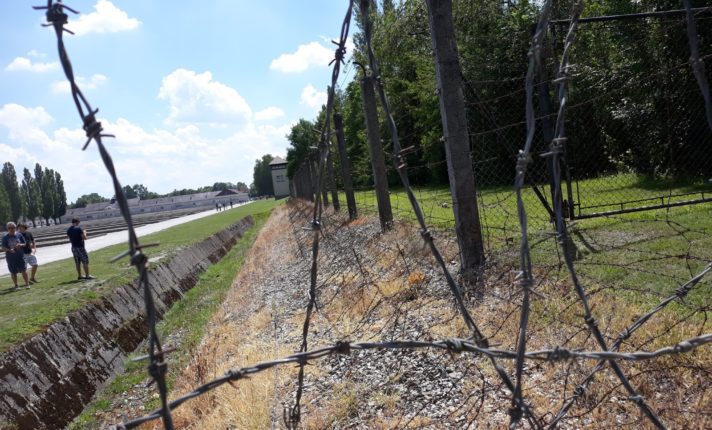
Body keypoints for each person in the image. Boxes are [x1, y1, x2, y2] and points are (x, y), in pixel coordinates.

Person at [2, 222, 30, 289]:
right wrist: (9, 250)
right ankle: (16, 285)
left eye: (13, 228)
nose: (11, 229)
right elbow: (3, 247)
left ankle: (27, 284)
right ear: (7, 229)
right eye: (9, 228)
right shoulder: (5, 237)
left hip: (20, 256)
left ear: (15, 228)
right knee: (13, 271)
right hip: (10, 257)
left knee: (23, 270)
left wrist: (21, 245)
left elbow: (25, 244)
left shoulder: (19, 235)